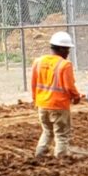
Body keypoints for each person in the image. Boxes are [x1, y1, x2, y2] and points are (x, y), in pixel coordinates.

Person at [29, 31, 81, 159]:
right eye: (67, 49)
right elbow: (69, 86)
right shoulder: (64, 64)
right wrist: (76, 96)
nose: (68, 53)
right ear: (61, 49)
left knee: (47, 131)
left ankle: (40, 154)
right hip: (59, 105)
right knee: (61, 134)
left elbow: (33, 83)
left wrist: (36, 99)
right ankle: (61, 159)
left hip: (42, 104)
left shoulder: (38, 62)